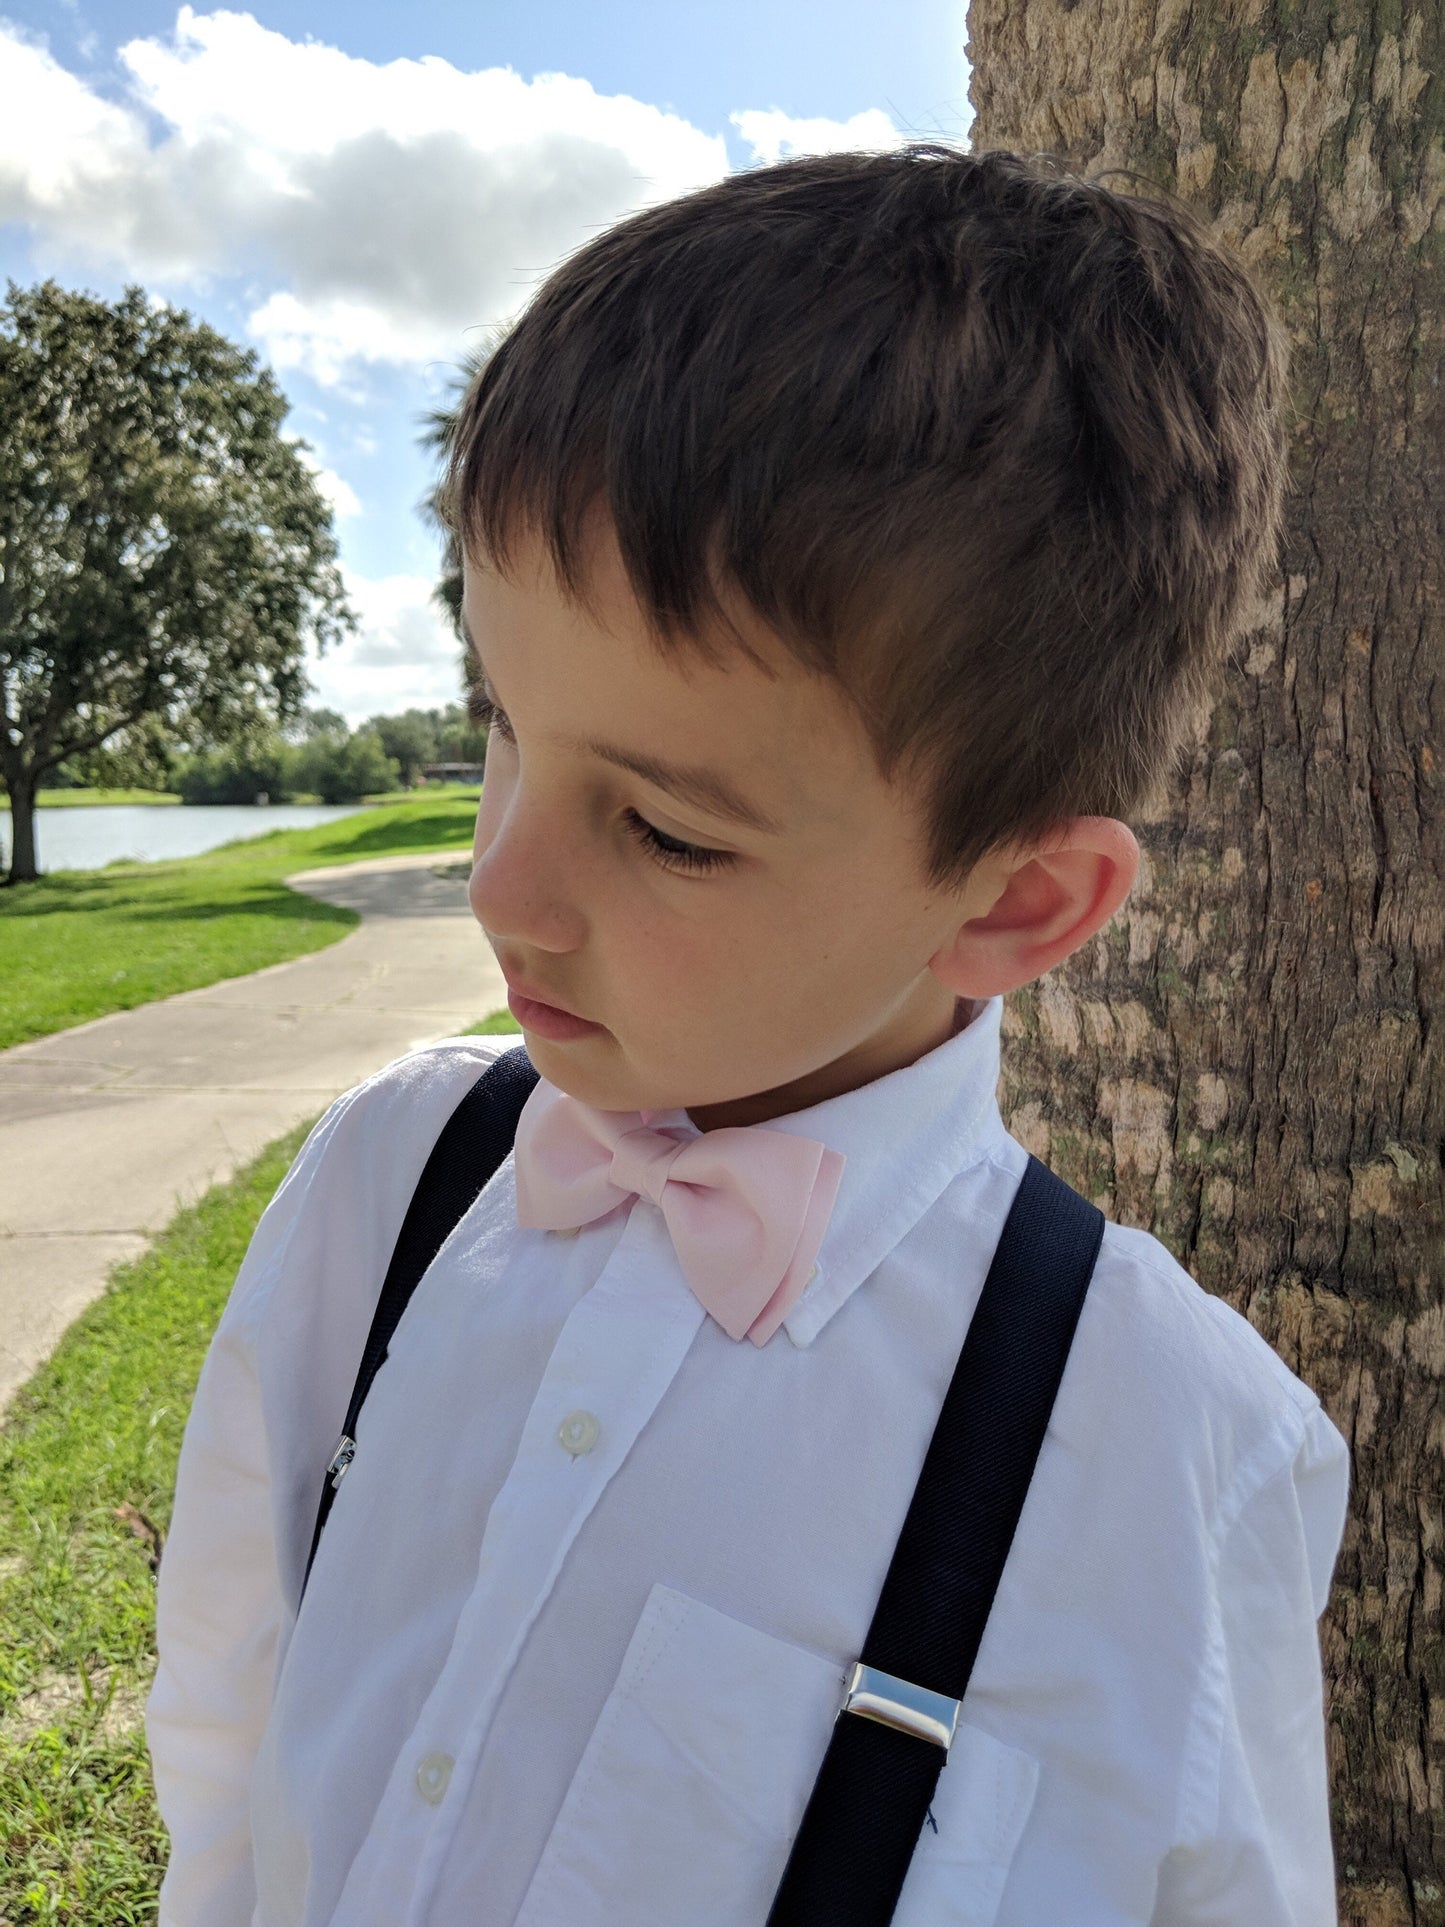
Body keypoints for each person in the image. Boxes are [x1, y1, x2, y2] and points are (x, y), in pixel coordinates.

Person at [145, 144, 1350, 1925]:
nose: (502, 889)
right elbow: (233, 1738)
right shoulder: (385, 1188)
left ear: (1012, 904)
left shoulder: (1169, 1449)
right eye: (503, 723)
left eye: (666, 830)